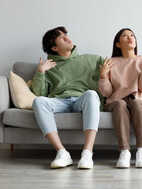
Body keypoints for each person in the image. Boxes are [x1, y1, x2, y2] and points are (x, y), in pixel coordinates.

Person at [30, 26, 104, 169]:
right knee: (38, 101)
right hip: (60, 101)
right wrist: (40, 72)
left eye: (65, 34)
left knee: (91, 93)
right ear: (54, 48)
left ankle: (87, 153)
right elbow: (39, 93)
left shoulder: (91, 59)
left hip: (82, 100)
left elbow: (119, 65)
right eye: (60, 37)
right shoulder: (48, 66)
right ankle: (62, 152)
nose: (65, 37)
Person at [98, 28, 142, 168]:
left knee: (137, 103)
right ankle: (124, 152)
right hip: (117, 101)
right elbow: (107, 93)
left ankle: (141, 151)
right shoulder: (112, 62)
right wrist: (103, 76)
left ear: (135, 42)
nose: (130, 37)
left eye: (132, 35)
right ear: (118, 44)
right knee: (119, 104)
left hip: (139, 101)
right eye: (125, 36)